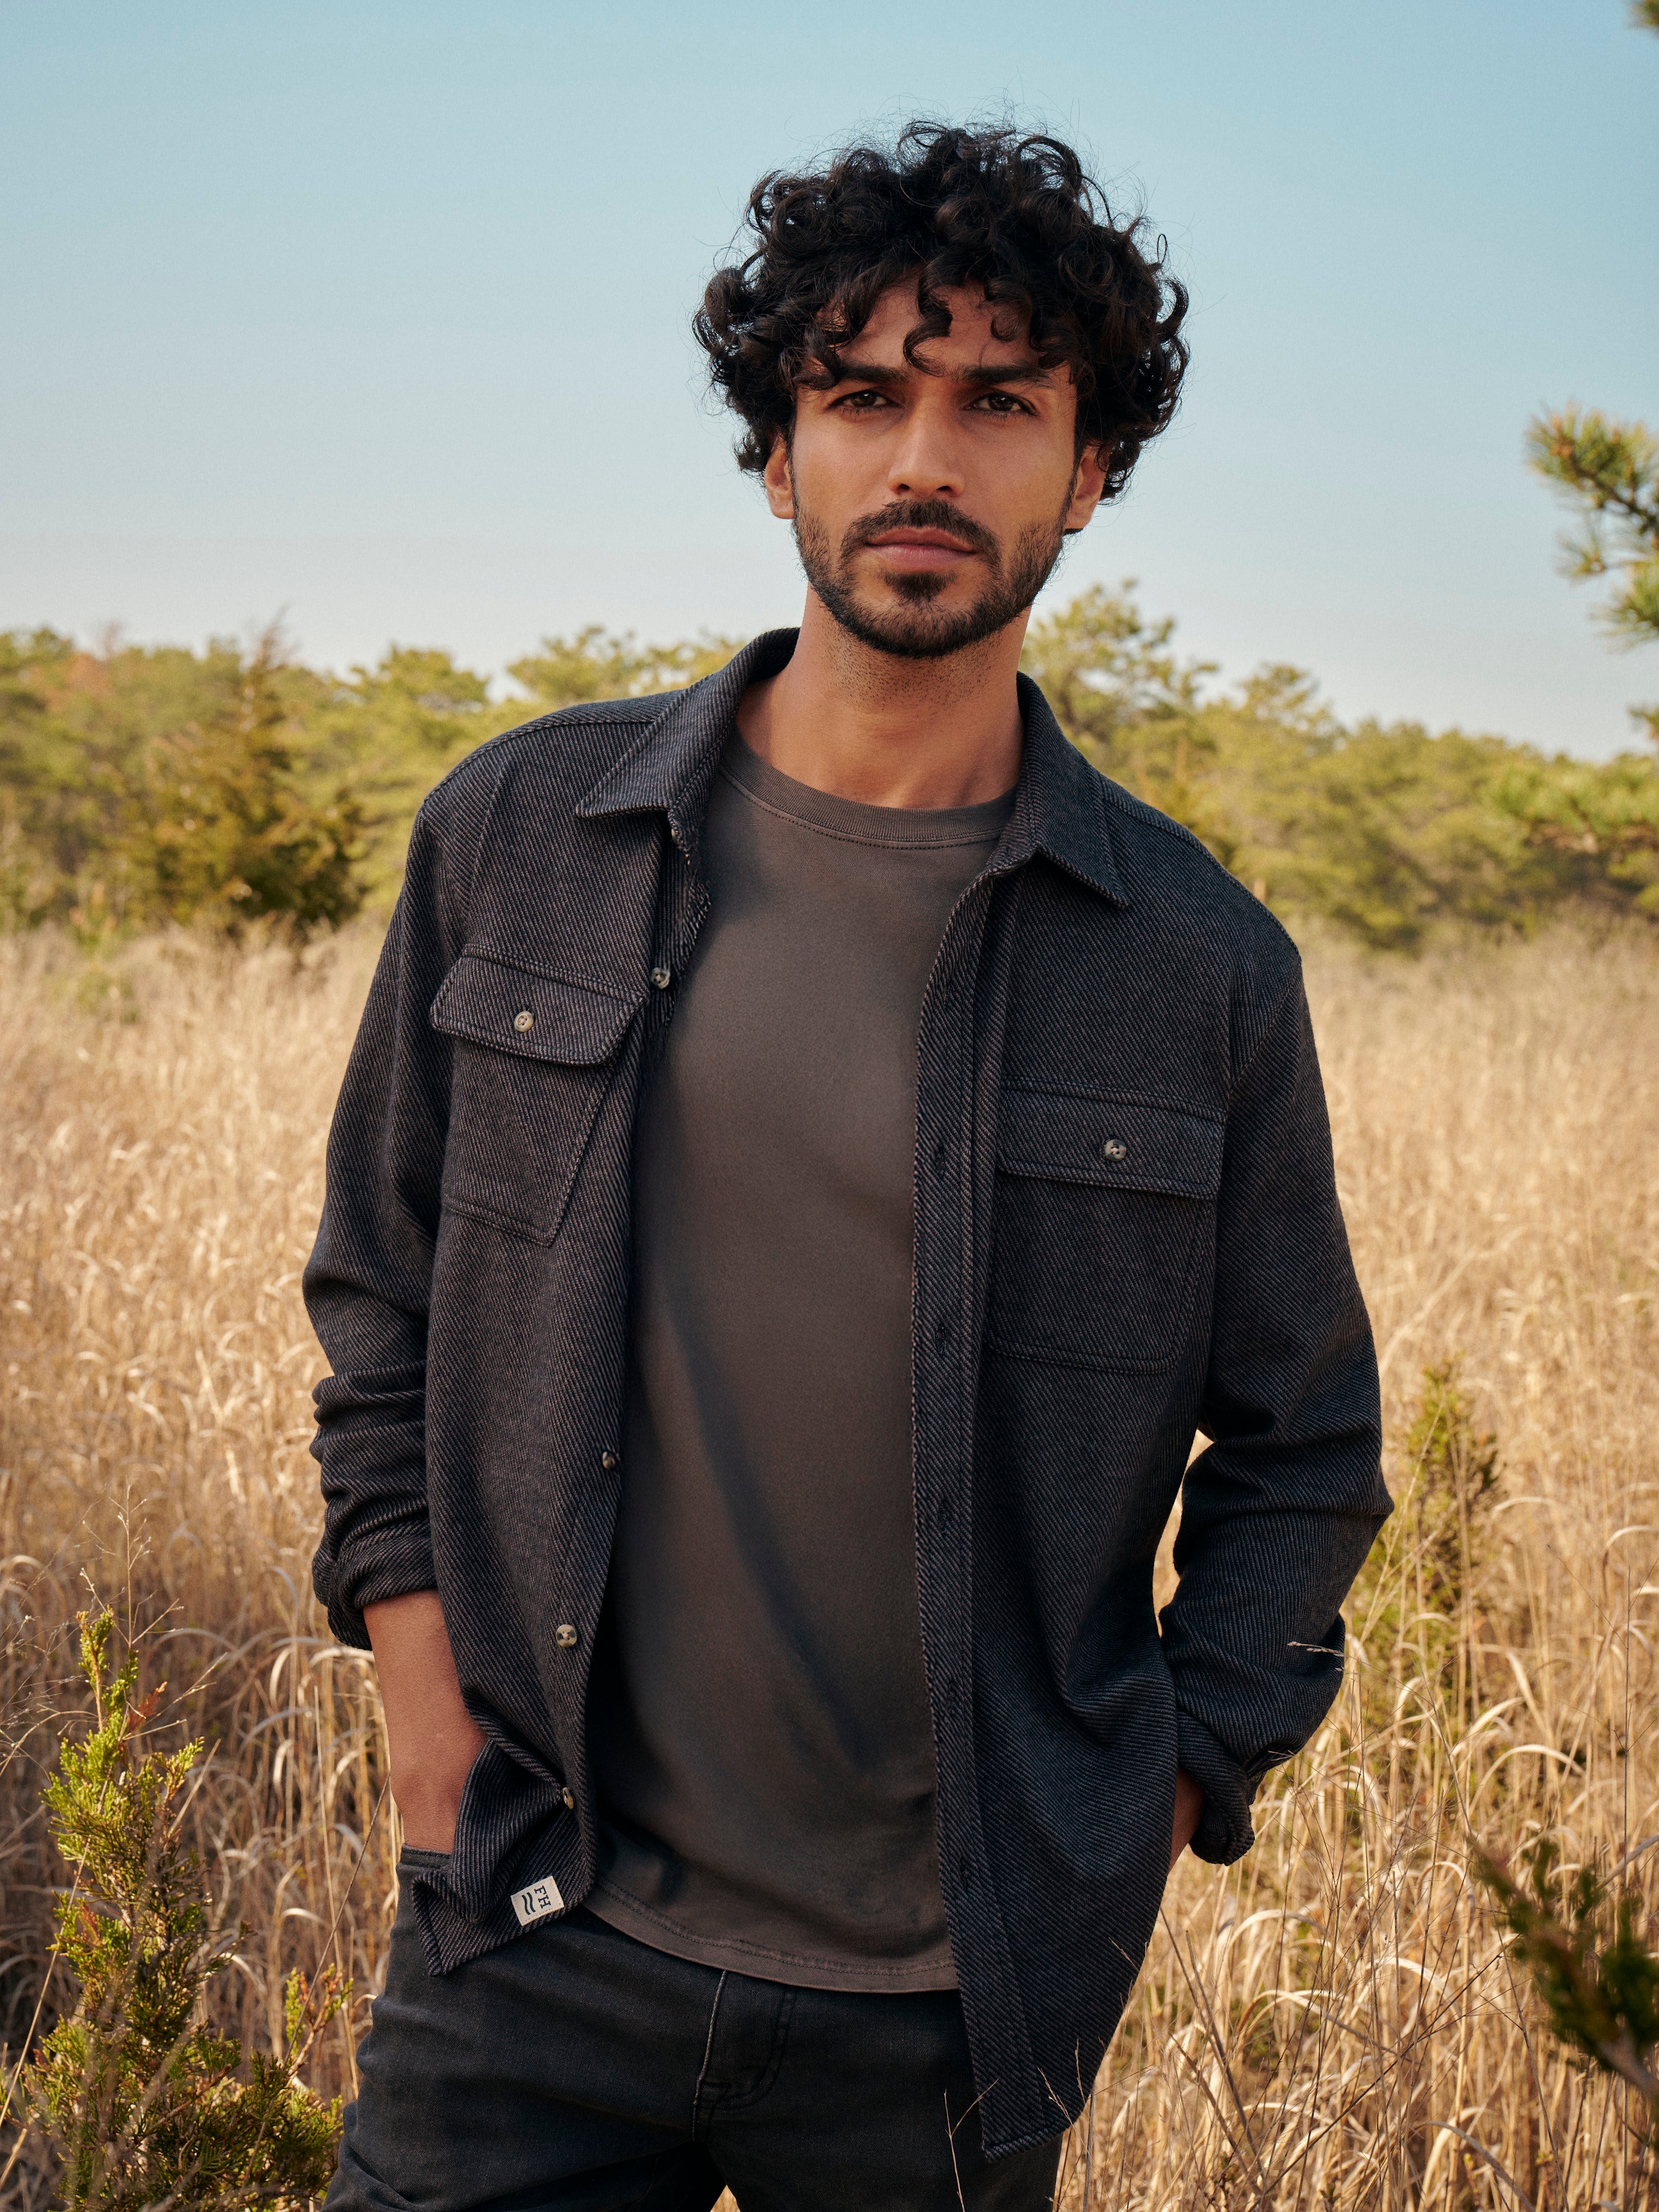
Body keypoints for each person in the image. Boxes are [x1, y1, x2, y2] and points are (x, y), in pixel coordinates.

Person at [307, 121, 1389, 2212]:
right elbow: (384, 1291)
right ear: (775, 453)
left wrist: (1141, 1807)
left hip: (945, 2020)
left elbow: (1306, 1451)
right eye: (864, 394)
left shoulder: (1198, 966)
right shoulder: (521, 839)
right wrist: (428, 1724)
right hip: (529, 1935)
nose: (925, 459)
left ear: (1090, 471)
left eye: (1001, 404)